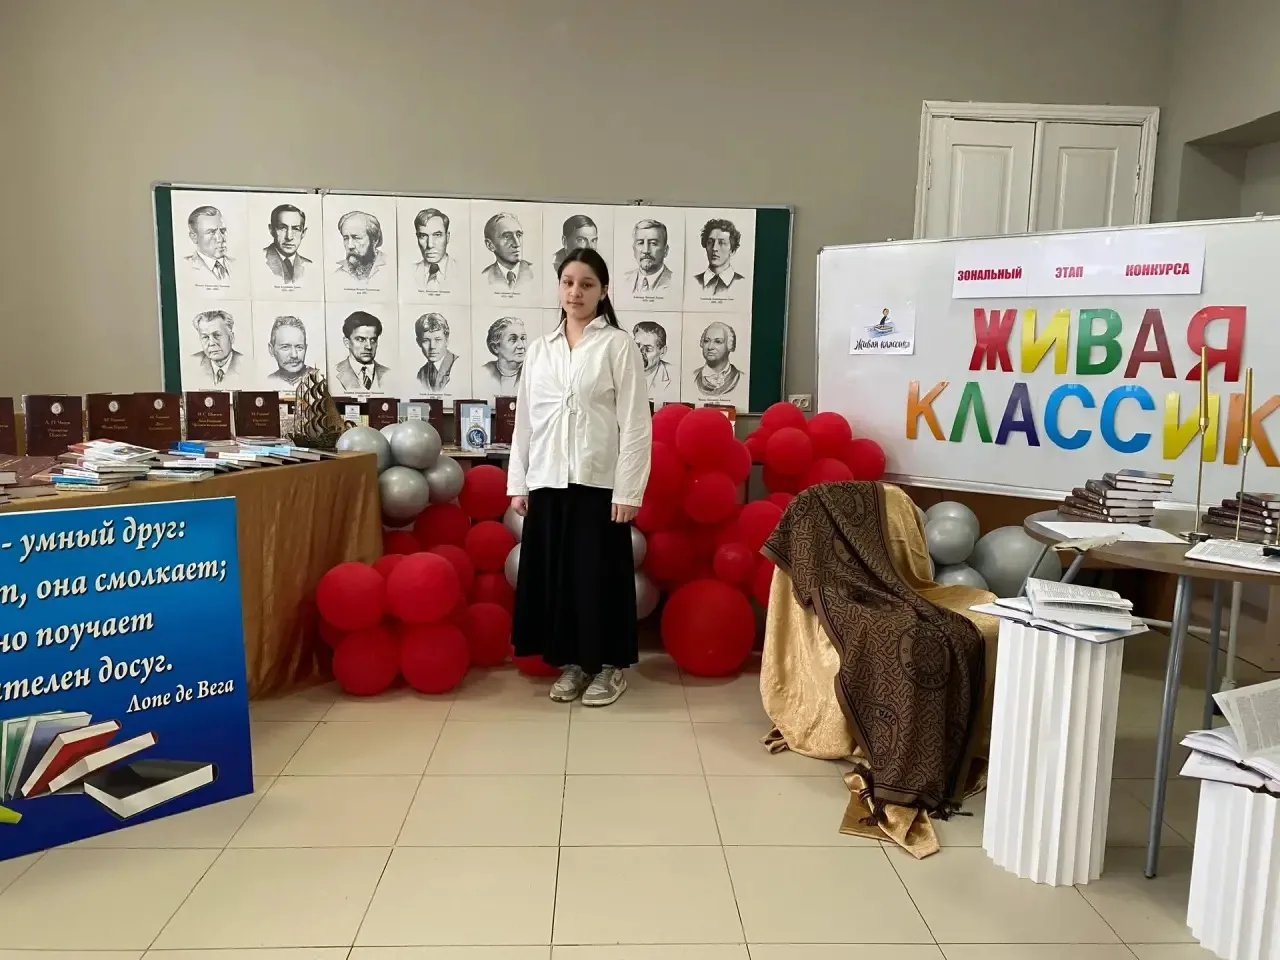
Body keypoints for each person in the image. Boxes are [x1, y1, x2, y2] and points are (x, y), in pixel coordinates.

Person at [508, 248, 651, 706]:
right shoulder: (540, 349)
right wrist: (518, 482)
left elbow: (636, 424)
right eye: (568, 282)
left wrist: (629, 489)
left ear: (603, 291)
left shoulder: (617, 345)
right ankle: (571, 662)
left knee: (598, 578)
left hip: (598, 483)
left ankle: (608, 667)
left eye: (587, 284)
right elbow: (526, 421)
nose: (576, 292)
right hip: (548, 479)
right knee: (559, 578)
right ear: (559, 287)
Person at [333, 310, 390, 391]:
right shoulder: (332, 373)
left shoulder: (389, 374)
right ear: (346, 342)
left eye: (373, 340)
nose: (369, 346)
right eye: (361, 339)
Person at [479, 212, 534, 289]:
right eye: (507, 237)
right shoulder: (483, 277)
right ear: (490, 245)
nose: (517, 244)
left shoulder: (535, 272)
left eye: (518, 235)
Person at [692, 218, 745, 296]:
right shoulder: (693, 282)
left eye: (722, 243)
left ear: (732, 251)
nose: (714, 248)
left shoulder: (742, 283)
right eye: (710, 242)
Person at [191, 309, 245, 385]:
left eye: (217, 335)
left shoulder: (247, 364)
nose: (211, 343)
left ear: (231, 337)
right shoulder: (191, 363)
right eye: (205, 337)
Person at [692, 321, 743, 397]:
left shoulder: (742, 378)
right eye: (706, 341)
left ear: (730, 345)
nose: (710, 347)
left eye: (718, 342)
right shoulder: (692, 377)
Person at [477, 316, 527, 394]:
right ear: (495, 347)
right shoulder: (483, 373)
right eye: (513, 339)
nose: (521, 346)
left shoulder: (533, 373)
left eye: (523, 338)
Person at [263, 203, 311, 283]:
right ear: (271, 230)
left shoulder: (309, 266)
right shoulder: (259, 260)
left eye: (295, 229)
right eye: (282, 228)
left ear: (303, 233)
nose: (289, 237)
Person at [334, 210, 387, 283]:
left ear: (375, 240)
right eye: (346, 238)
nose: (350, 246)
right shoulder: (338, 275)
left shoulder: (390, 268)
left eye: (356, 238)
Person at [184, 206, 234, 281]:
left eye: (223, 230)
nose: (220, 239)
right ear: (194, 237)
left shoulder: (237, 264)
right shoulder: (184, 267)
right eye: (211, 232)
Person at [264, 315, 315, 388]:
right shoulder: (267, 382)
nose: (294, 355)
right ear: (271, 350)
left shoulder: (317, 379)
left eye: (299, 347)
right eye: (285, 347)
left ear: (305, 349)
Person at [623, 218, 673, 293]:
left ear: (665, 250)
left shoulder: (675, 282)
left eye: (653, 243)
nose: (646, 250)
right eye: (640, 243)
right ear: (634, 249)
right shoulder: (623, 280)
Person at [412, 207, 455, 291]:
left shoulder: (463, 271)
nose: (430, 245)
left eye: (437, 235)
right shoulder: (408, 272)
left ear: (447, 237)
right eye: (423, 236)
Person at [413, 312, 458, 391]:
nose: (432, 347)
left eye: (438, 340)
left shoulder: (459, 366)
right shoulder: (421, 373)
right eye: (426, 340)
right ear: (418, 342)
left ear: (446, 341)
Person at [632, 320, 674, 395]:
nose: (639, 353)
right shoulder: (619, 373)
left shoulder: (676, 376)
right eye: (636, 346)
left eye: (648, 349)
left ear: (662, 351)